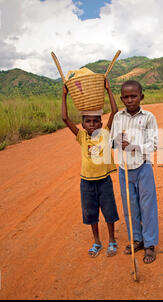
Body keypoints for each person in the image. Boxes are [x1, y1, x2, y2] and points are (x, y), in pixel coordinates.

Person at [61, 79, 119, 258]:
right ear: (83, 124)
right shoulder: (81, 137)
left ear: (101, 124)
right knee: (91, 213)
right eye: (88, 121)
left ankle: (112, 240)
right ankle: (97, 241)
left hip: (104, 181)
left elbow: (115, 111)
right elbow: (64, 118)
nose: (92, 124)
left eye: (95, 121)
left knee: (109, 212)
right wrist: (64, 95)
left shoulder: (105, 134)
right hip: (86, 182)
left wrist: (108, 90)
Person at [110, 80, 159, 264]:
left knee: (147, 206)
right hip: (124, 168)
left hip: (143, 166)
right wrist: (117, 140)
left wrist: (134, 146)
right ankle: (137, 239)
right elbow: (112, 142)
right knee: (130, 206)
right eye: (126, 97)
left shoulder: (148, 117)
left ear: (141, 97)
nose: (130, 100)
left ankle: (150, 244)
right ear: (121, 98)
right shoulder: (118, 118)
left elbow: (153, 144)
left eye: (133, 96)